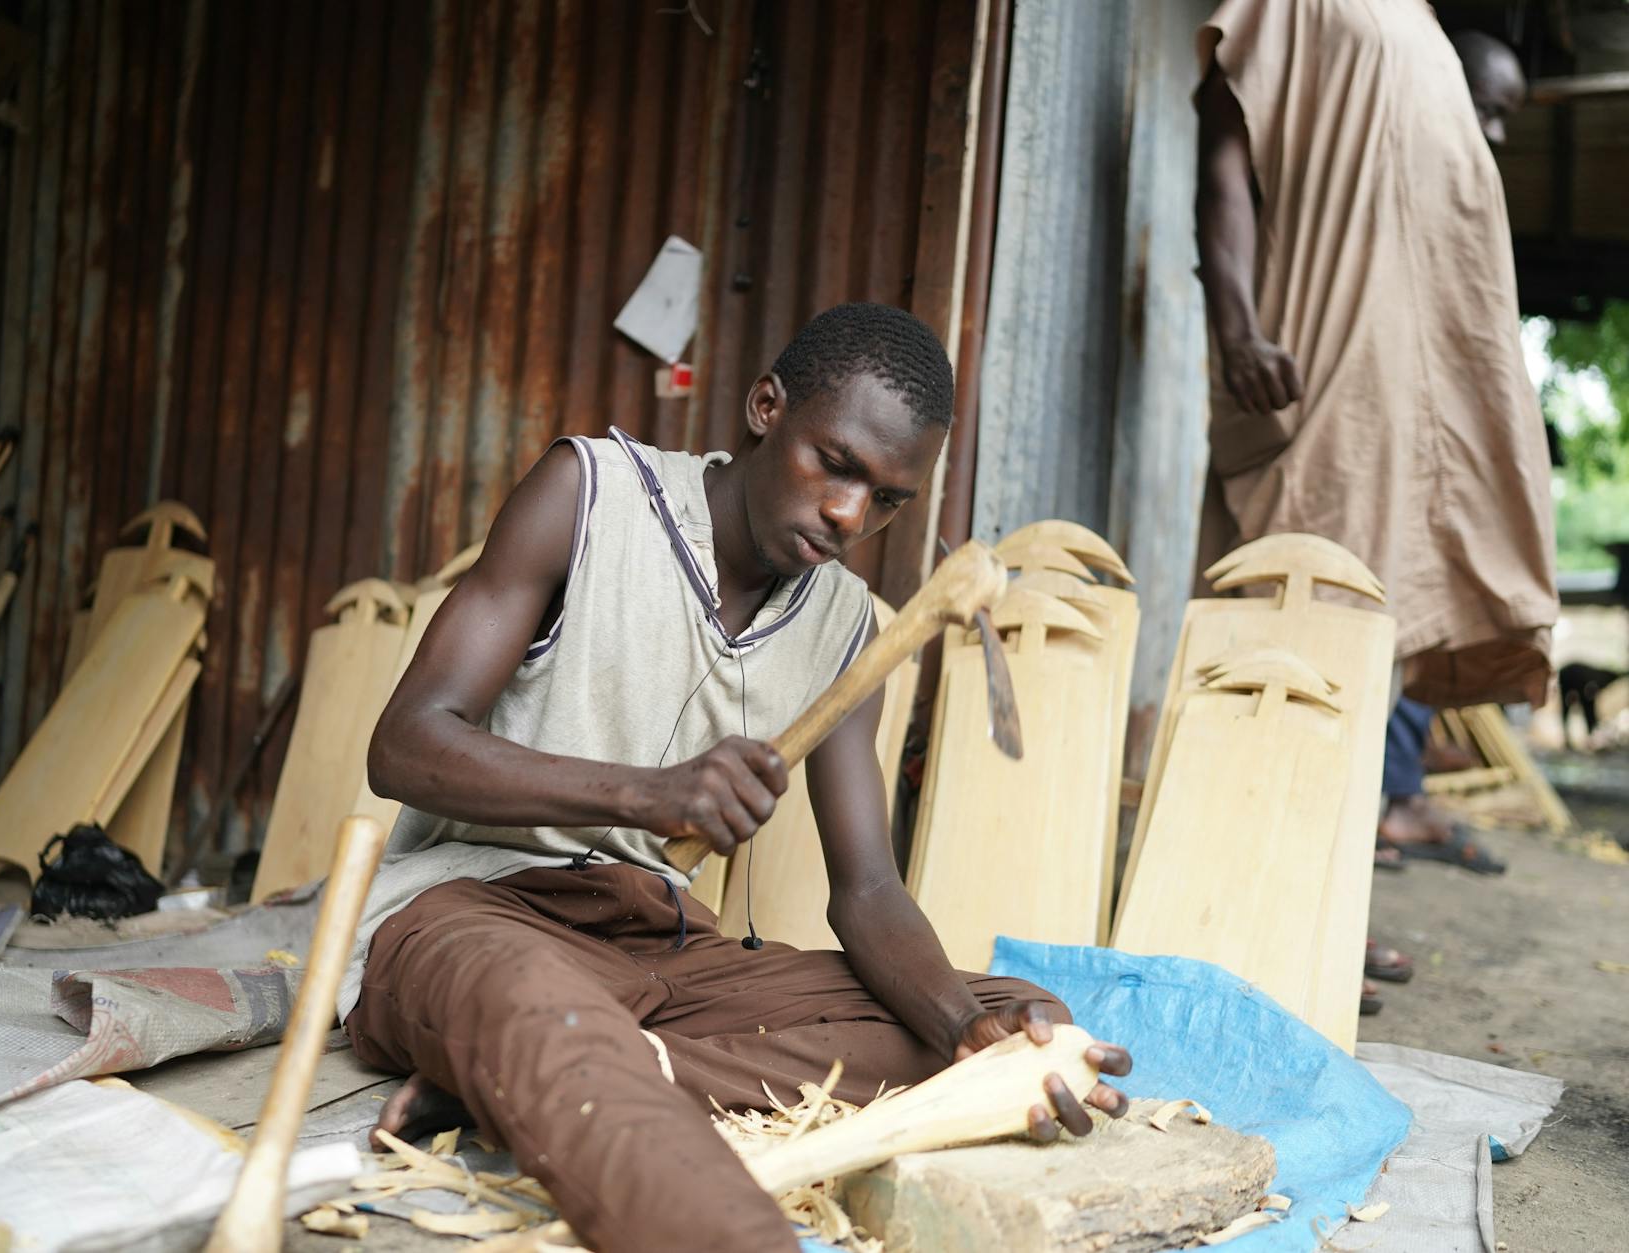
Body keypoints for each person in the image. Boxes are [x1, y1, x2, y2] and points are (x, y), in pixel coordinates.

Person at [337, 303, 1132, 1253]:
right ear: (766, 407)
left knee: (1024, 1022)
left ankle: (525, 1073)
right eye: (836, 464)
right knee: (537, 1007)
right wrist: (647, 792)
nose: (849, 515)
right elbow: (407, 744)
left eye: (887, 500)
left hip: (663, 953)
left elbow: (868, 890)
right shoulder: (588, 493)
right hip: (474, 908)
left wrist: (966, 1031)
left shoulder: (846, 627)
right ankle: (564, 1072)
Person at [1192, 1, 1559, 1009]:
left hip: (1409, 411)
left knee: (1361, 674)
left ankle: (1315, 919)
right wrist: (1233, 328)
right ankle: (1242, 922)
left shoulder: (1422, 34)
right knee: (1285, 652)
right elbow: (1220, 157)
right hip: (1323, 394)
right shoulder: (1297, 5)